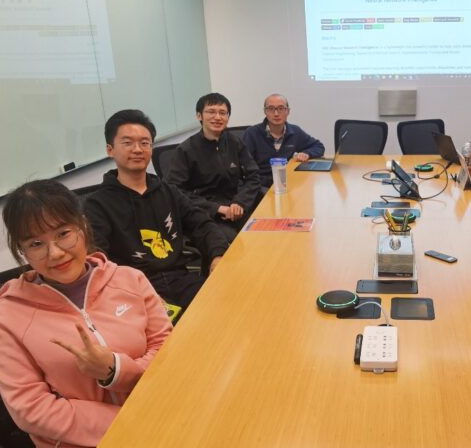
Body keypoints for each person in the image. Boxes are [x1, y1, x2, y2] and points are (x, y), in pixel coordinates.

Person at [0, 180, 300, 448]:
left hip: (164, 432)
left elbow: (170, 355)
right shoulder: (8, 316)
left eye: (63, 234)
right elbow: (31, 411)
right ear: (21, 250)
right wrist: (128, 425)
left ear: (83, 227)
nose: (55, 253)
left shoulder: (129, 281)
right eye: (36, 243)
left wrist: (114, 369)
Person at [84, 109, 229, 320]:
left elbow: (202, 224)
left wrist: (217, 256)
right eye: (127, 143)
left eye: (144, 143)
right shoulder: (97, 204)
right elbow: (98, 261)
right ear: (110, 150)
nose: (137, 149)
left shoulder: (167, 191)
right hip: (134, 290)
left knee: (228, 310)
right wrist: (137, 295)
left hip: (181, 278)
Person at [165, 93, 261, 243]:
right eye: (211, 111)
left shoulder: (234, 142)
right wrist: (217, 208)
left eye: (222, 113)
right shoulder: (186, 150)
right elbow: (174, 190)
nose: (217, 117)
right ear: (199, 116)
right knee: (234, 245)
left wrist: (240, 203)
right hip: (205, 213)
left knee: (264, 235)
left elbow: (253, 176)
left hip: (237, 207)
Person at [242, 93, 325, 189]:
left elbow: (319, 146)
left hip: (288, 182)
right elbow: (245, 168)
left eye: (281, 108)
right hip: (261, 185)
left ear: (288, 111)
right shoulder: (252, 133)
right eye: (271, 109)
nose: (276, 113)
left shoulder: (295, 131)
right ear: (265, 112)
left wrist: (307, 153)